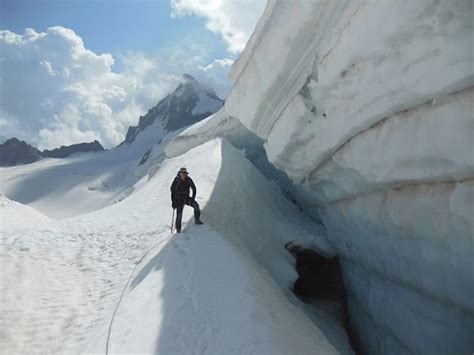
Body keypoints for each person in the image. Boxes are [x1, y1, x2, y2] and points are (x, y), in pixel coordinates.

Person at [170, 167, 203, 233]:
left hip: (186, 198)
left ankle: (197, 220)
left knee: (196, 205)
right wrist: (173, 202)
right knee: (179, 215)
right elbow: (172, 191)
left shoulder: (188, 179)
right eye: (182, 173)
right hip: (179, 200)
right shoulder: (176, 181)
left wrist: (193, 198)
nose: (184, 174)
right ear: (180, 173)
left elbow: (194, 188)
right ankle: (178, 229)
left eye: (185, 173)